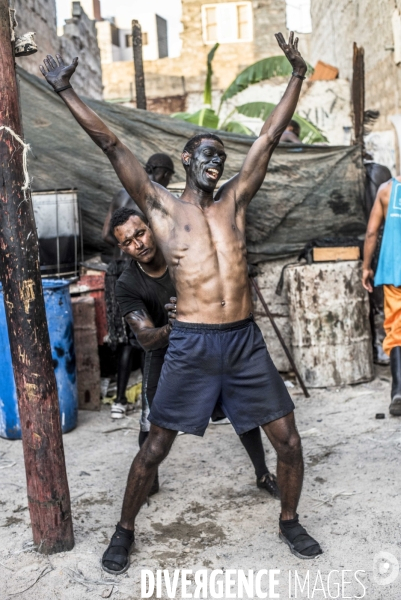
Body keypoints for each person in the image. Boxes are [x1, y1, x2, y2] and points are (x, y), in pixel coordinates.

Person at [39, 32, 322, 572]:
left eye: (221, 155)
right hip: (191, 343)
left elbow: (265, 138)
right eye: (208, 154)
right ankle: (124, 530)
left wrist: (296, 76)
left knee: (288, 439)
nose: (217, 162)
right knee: (155, 447)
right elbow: (113, 146)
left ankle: (289, 519)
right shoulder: (162, 210)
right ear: (189, 158)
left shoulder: (236, 200)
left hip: (243, 339)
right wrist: (66, 93)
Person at [110, 206, 281, 498]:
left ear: (151, 228)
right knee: (152, 419)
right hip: (166, 354)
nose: (137, 245)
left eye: (140, 233)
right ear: (121, 248)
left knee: (244, 411)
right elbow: (146, 339)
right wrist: (173, 326)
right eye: (128, 242)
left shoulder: (183, 254)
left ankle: (262, 473)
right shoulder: (127, 284)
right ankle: (149, 479)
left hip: (211, 343)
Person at [102, 154, 175, 419]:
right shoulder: (152, 195)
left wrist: (125, 249)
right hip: (132, 273)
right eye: (168, 175)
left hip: (116, 268)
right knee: (145, 336)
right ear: (161, 172)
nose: (168, 180)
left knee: (127, 340)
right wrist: (139, 249)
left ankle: (122, 401)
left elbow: (104, 234)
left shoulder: (119, 193)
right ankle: (151, 402)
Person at [362, 176, 401, 416]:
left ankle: (399, 391)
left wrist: (366, 267)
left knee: (397, 328)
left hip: (395, 270)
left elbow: (371, 232)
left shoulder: (387, 190)